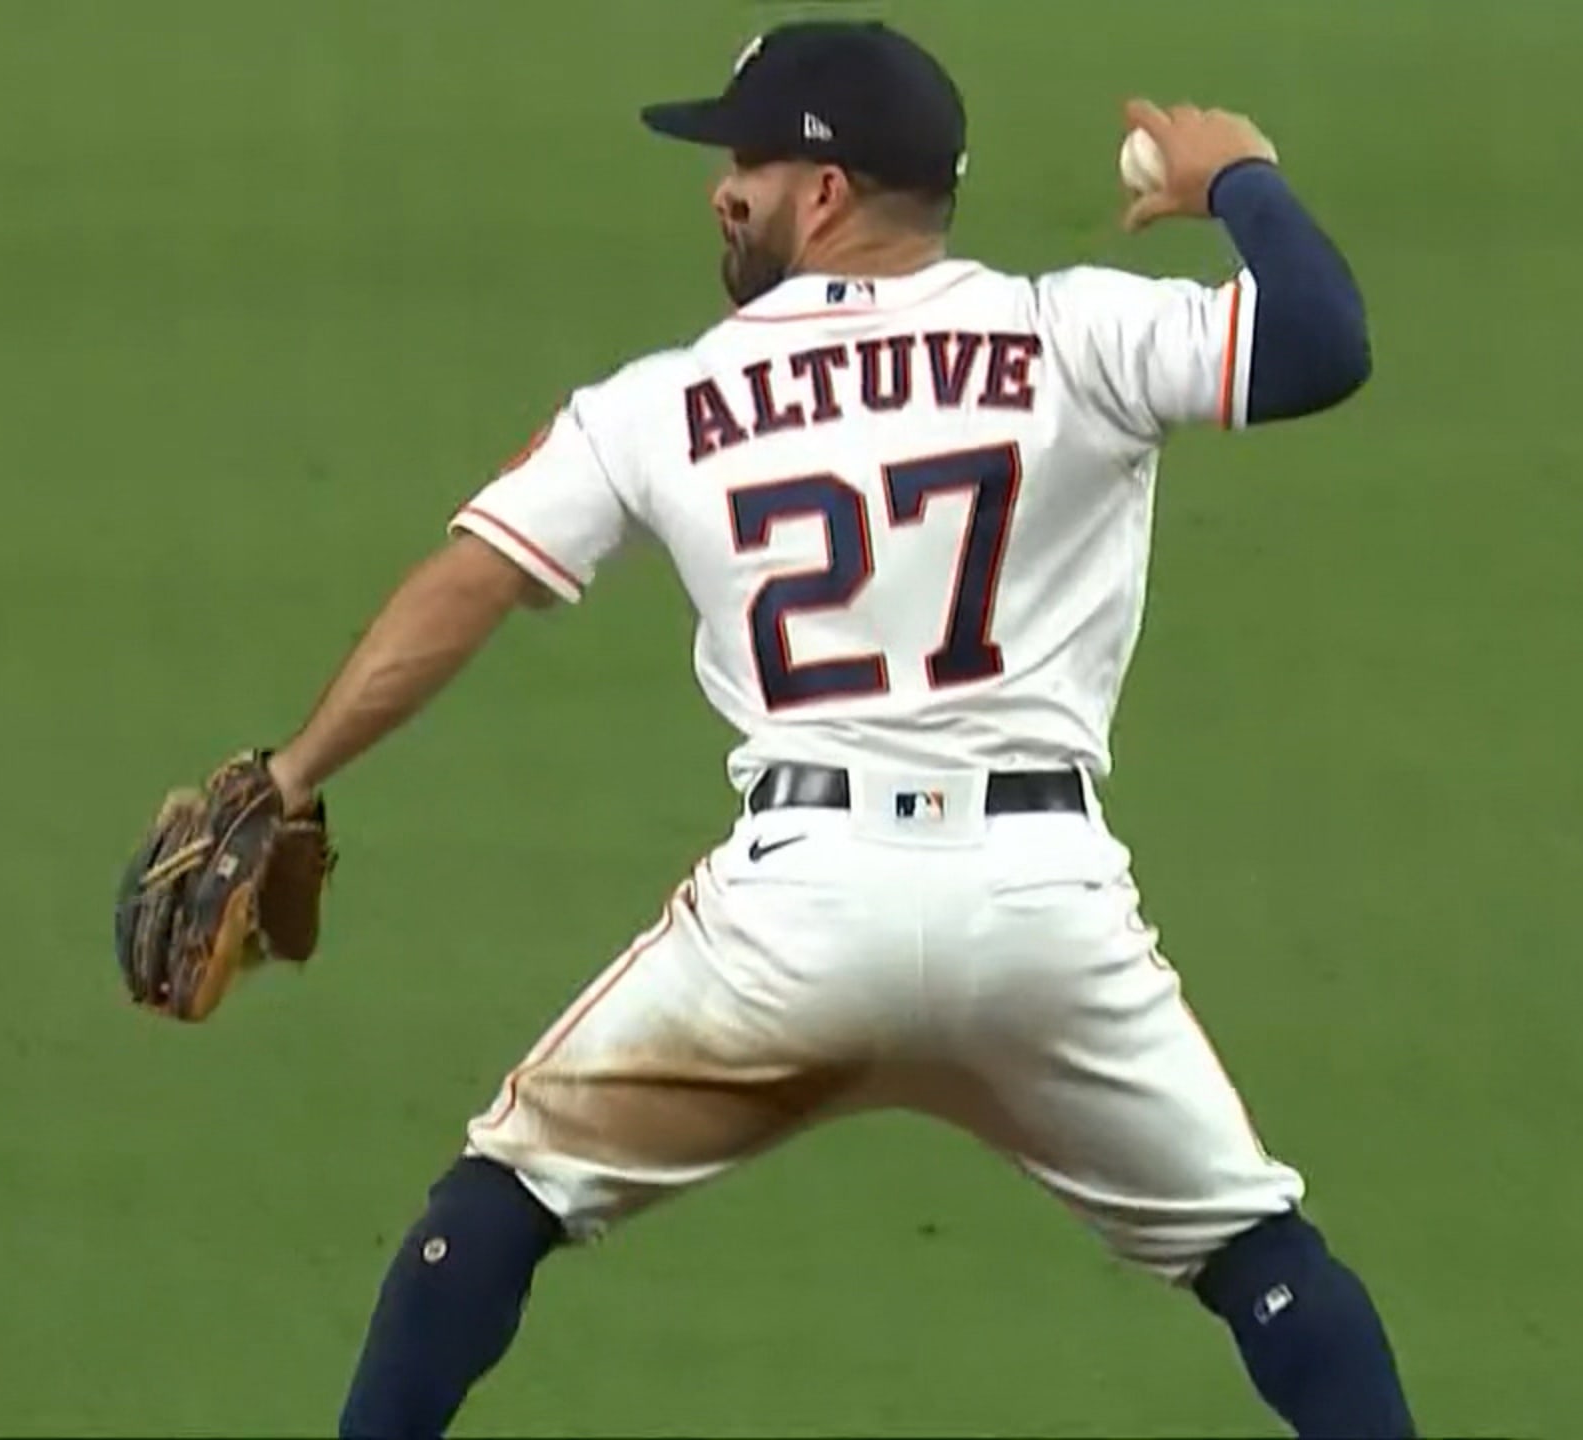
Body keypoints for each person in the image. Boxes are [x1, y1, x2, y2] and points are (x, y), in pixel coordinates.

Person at [269, 20, 1408, 1439]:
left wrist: (291, 774)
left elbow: (471, 582)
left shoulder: (667, 401)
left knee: (498, 1204)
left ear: (824, 190)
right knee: (1259, 1259)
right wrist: (1238, 175)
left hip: (789, 922)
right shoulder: (1076, 330)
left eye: (743, 160)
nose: (720, 190)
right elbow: (1318, 339)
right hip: (1041, 918)